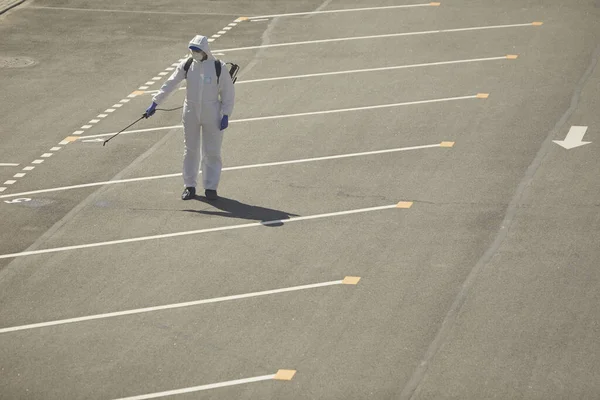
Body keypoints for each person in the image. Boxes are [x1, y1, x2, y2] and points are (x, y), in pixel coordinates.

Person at [144, 35, 235, 200]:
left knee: (212, 151)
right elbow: (171, 83)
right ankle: (190, 186)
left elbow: (228, 92)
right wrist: (155, 102)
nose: (194, 53)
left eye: (197, 50)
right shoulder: (187, 65)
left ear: (205, 50)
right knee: (190, 150)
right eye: (192, 50)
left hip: (212, 111)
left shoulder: (217, 67)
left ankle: (210, 188)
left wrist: (226, 114)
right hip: (191, 111)